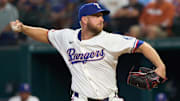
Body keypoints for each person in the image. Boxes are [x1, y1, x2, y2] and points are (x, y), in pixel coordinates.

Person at [10, 3, 166, 101]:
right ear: (84, 20)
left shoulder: (110, 39)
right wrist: (24, 28)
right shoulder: (67, 37)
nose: (101, 19)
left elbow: (143, 45)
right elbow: (45, 34)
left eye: (102, 16)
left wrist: (160, 66)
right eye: (97, 16)